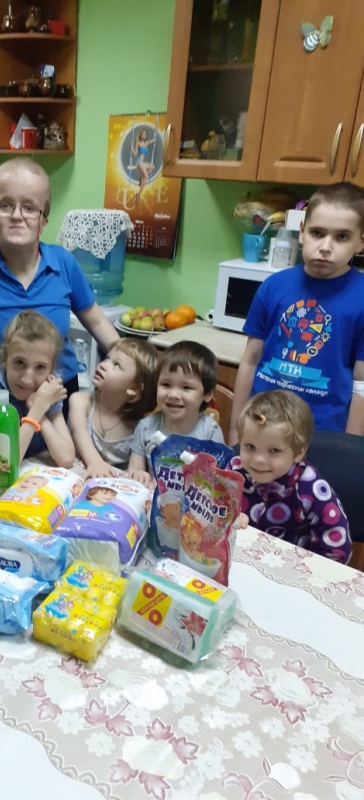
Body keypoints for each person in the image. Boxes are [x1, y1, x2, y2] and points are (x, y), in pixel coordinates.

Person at [0, 157, 119, 414]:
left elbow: (98, 322)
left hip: (58, 392)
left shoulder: (64, 263)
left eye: (29, 207)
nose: (17, 215)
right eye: (5, 205)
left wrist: (128, 358)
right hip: (0, 394)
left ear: (43, 222)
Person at [229, 181, 364, 445]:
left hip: (322, 437)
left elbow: (361, 384)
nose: (326, 246)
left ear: (361, 242)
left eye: (342, 237)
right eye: (317, 233)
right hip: (260, 428)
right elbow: (250, 361)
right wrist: (236, 430)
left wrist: (349, 449)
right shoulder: (273, 286)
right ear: (302, 232)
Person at [231, 389, 352, 564]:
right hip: (238, 561)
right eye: (250, 446)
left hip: (293, 569)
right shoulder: (234, 472)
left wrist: (310, 572)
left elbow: (338, 546)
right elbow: (211, 510)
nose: (258, 460)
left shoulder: (312, 489)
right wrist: (228, 516)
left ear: (298, 452)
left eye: (274, 450)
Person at [0, 310, 75, 466]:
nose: (27, 379)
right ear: (4, 360)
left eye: (40, 367)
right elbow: (5, 463)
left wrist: (41, 410)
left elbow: (66, 458)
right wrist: (37, 409)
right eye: (19, 363)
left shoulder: (49, 387)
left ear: (51, 369)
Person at [128, 341, 224, 486]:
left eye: (186, 387)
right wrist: (138, 475)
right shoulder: (145, 427)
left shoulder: (210, 432)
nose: (173, 394)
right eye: (166, 385)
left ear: (207, 394)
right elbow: (134, 472)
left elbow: (216, 484)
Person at [68, 338, 159, 477]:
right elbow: (78, 430)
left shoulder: (139, 426)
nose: (103, 365)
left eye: (117, 365)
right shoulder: (81, 401)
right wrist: (94, 462)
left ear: (133, 388)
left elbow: (136, 470)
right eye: (107, 358)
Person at [131, 129, 156, 204]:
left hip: (142, 162)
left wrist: (157, 135)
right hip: (139, 162)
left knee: (152, 167)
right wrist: (132, 147)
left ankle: (142, 178)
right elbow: (135, 154)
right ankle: (139, 195)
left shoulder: (146, 142)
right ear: (141, 135)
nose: (144, 135)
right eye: (143, 134)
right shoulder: (138, 143)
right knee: (146, 177)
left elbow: (154, 140)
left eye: (145, 134)